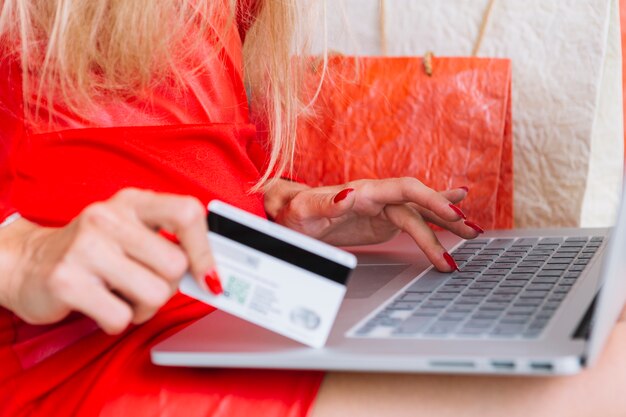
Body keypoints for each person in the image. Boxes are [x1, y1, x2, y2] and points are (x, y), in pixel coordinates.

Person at [0, 1, 623, 416]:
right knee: (597, 383)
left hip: (225, 308)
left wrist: (274, 208)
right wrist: (19, 255)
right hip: (82, 354)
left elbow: (155, 140)